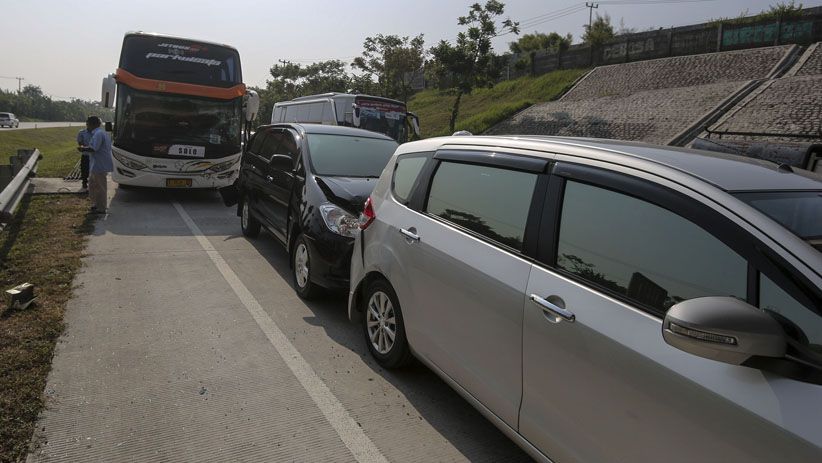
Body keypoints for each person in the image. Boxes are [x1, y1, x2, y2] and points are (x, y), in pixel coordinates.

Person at [77, 116, 113, 215]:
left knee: (100, 187)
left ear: (92, 124)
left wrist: (83, 149)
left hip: (99, 165)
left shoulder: (98, 134)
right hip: (96, 164)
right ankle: (96, 204)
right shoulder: (99, 133)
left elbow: (94, 148)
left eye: (87, 124)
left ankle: (101, 208)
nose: (87, 126)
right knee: (93, 186)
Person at [76, 125, 92, 189]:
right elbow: (80, 143)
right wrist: (82, 147)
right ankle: (84, 182)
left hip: (95, 156)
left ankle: (92, 183)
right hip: (85, 154)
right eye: (88, 123)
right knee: (84, 169)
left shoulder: (98, 133)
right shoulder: (82, 132)